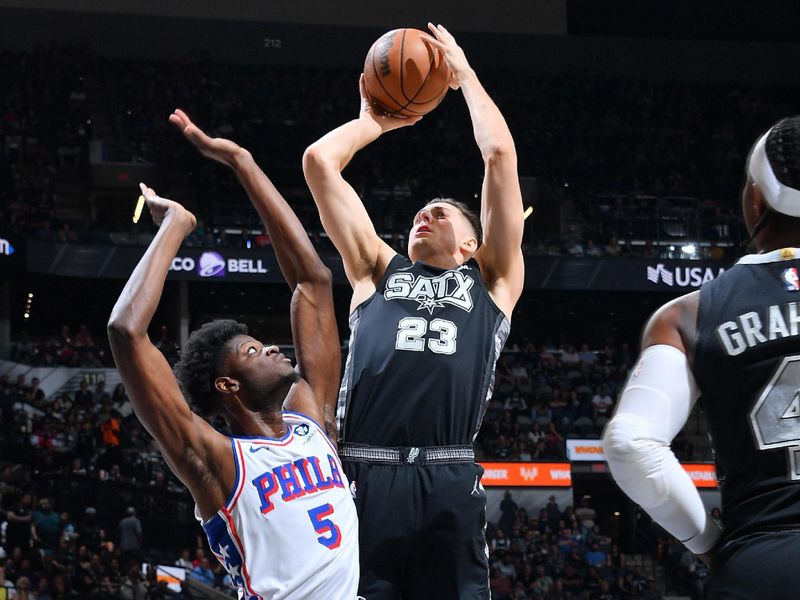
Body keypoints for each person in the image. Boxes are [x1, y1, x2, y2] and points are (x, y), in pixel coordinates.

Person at [303, 23, 524, 599]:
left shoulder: (493, 281)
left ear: (471, 245)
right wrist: (372, 123)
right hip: (365, 470)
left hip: (448, 472)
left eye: (442, 213)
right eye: (420, 212)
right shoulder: (376, 269)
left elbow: (499, 155)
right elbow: (319, 163)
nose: (425, 216)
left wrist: (465, 77)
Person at [107, 110, 357, 599]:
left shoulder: (311, 421)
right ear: (227, 385)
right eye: (251, 350)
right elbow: (126, 331)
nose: (269, 345)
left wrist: (242, 162)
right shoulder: (216, 459)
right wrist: (174, 227)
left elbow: (313, 282)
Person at [603, 116, 800, 598]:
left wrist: (707, 543)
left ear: (755, 199)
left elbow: (631, 445)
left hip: (762, 561)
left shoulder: (688, 315)